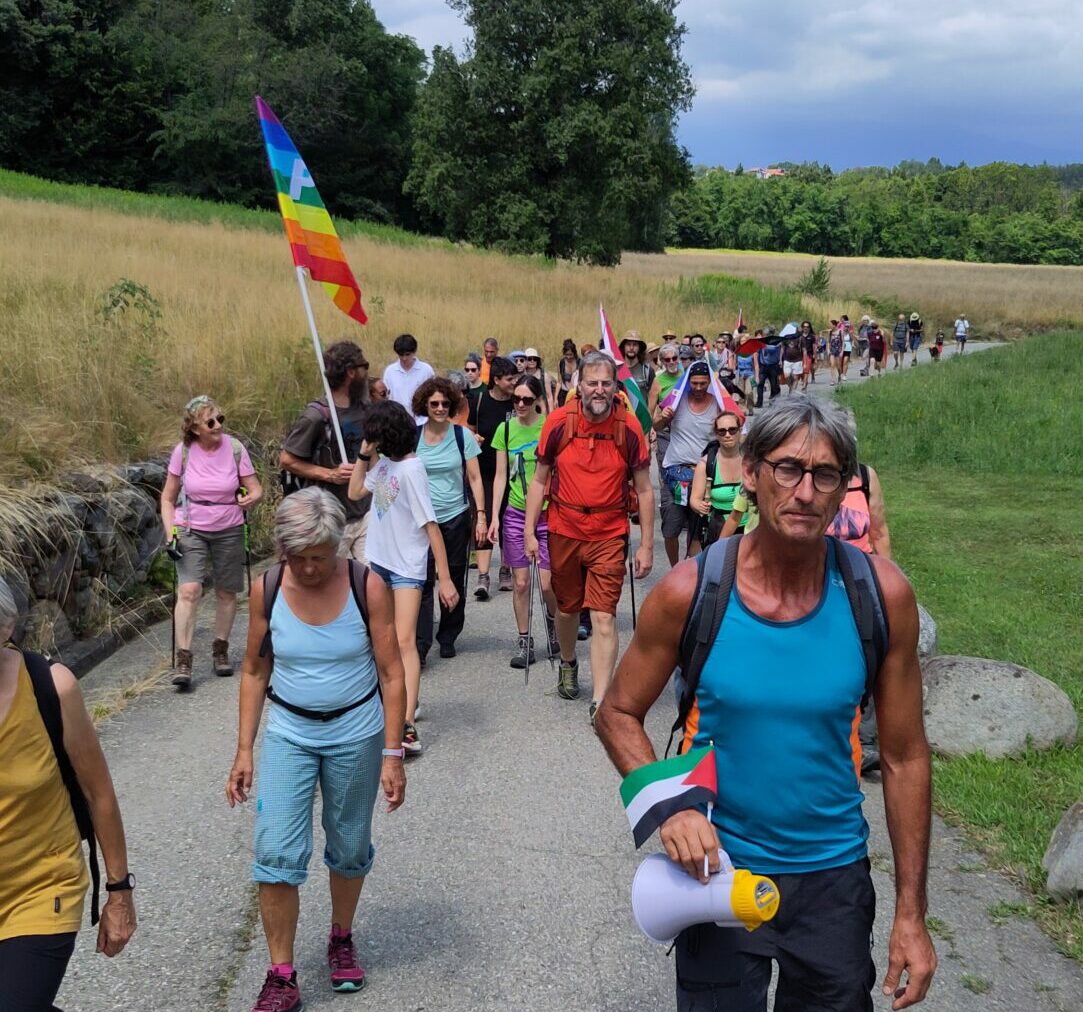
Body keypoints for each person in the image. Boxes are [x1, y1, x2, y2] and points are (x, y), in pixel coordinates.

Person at [595, 396, 938, 1012]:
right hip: (718, 874)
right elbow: (617, 712)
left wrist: (912, 913)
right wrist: (670, 809)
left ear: (844, 489)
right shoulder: (691, 591)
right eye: (787, 469)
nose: (805, 491)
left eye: (825, 474)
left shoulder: (880, 596)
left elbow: (907, 757)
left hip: (833, 879)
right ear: (749, 473)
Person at [226, 488, 408, 1010]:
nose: (308, 569)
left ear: (339, 547)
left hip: (356, 731)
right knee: (276, 851)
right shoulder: (266, 589)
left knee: (349, 844)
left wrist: (393, 754)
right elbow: (255, 669)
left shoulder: (364, 585)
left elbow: (392, 673)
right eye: (297, 558)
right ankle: (281, 973)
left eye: (319, 558)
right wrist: (244, 750)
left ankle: (340, 936)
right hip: (290, 732)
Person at [0, 577, 137, 1012]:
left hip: (40, 889)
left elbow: (99, 794)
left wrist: (119, 892)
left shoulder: (49, 686)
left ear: (5, 626)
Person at [525, 352, 655, 726]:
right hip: (563, 528)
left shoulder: (628, 428)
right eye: (592, 382)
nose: (599, 390)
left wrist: (646, 544)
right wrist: (529, 531)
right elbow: (539, 480)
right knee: (566, 608)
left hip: (609, 533)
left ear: (616, 386)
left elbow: (645, 491)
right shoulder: (557, 423)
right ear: (577, 384)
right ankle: (568, 664)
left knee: (603, 616)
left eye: (606, 383)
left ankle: (600, 701)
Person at [348, 401, 457, 756]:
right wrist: (364, 455)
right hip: (378, 562)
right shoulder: (384, 465)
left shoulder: (412, 469)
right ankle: (403, 701)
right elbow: (354, 493)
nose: (371, 440)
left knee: (406, 641)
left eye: (374, 434)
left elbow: (431, 527)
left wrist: (444, 578)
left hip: (406, 568)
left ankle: (406, 725)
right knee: (385, 640)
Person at [161, 395, 262, 689]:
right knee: (190, 589)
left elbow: (256, 489)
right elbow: (168, 498)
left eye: (220, 419)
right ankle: (184, 658)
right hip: (191, 525)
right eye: (210, 422)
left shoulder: (234, 448)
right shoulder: (183, 453)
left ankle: (220, 648)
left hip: (229, 526)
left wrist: (250, 499)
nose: (217, 425)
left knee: (227, 591)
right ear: (194, 428)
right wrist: (171, 534)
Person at [411, 377, 487, 664]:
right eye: (434, 404)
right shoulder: (413, 436)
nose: (440, 408)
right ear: (425, 405)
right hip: (420, 521)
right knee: (422, 580)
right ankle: (421, 643)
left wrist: (481, 516)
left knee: (454, 577)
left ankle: (448, 635)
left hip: (454, 517)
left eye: (445, 403)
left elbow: (475, 478)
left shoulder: (461, 436)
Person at [489, 374, 560, 667]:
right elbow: (501, 475)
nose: (520, 404)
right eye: (515, 399)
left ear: (536, 402)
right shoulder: (504, 430)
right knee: (520, 584)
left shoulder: (549, 428)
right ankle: (524, 641)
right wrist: (493, 516)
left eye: (526, 400)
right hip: (516, 514)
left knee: (547, 585)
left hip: (547, 513)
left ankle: (554, 626)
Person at [280, 340, 371, 564]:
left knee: (373, 584)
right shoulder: (316, 416)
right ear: (351, 372)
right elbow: (287, 460)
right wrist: (330, 474)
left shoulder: (365, 408)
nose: (366, 372)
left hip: (367, 513)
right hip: (331, 519)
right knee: (332, 586)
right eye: (363, 366)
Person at [654, 361, 721, 562]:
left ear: (709, 382)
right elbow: (656, 426)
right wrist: (663, 417)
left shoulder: (718, 404)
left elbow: (732, 430)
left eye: (703, 383)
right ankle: (675, 569)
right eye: (694, 383)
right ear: (687, 382)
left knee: (697, 530)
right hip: (674, 473)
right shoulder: (675, 401)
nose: (698, 388)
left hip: (703, 476)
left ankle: (690, 575)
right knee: (670, 529)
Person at [473, 356, 519, 600]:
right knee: (484, 518)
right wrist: (472, 436)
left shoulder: (517, 403)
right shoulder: (479, 400)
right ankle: (482, 577)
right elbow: (464, 426)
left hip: (512, 473)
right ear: (497, 380)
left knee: (507, 520)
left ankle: (505, 569)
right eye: (510, 378)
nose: (514, 382)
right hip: (483, 473)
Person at [689, 411, 745, 548]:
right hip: (719, 529)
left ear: (740, 431)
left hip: (750, 529)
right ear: (716, 434)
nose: (727, 435)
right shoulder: (706, 464)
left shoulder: (751, 460)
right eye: (722, 431)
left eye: (732, 430)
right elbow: (694, 500)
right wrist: (700, 506)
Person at [382, 334, 435, 423]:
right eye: (401, 355)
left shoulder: (426, 370)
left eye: (407, 354)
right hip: (397, 422)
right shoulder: (390, 371)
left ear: (414, 352)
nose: (404, 358)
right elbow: (386, 397)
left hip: (421, 422)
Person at [620, 331, 655, 404]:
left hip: (640, 414)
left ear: (639, 348)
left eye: (635, 345)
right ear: (623, 347)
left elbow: (654, 397)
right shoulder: (617, 370)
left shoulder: (647, 371)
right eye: (628, 344)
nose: (631, 348)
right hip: (622, 414)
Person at [522, 347, 559, 411]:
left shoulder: (544, 376)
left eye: (535, 359)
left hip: (542, 409)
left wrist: (551, 413)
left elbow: (549, 396)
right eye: (529, 359)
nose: (532, 361)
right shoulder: (522, 374)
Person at [733, 332, 760, 415]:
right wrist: (734, 375)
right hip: (740, 374)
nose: (743, 342)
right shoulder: (737, 352)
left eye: (745, 341)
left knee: (749, 392)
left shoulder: (753, 352)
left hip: (750, 374)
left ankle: (750, 407)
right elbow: (734, 364)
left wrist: (757, 376)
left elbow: (756, 365)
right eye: (742, 341)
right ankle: (742, 409)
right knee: (741, 393)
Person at [755, 332, 782, 406]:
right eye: (767, 335)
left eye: (770, 334)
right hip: (763, 366)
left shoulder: (777, 343)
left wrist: (780, 361)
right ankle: (759, 402)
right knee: (760, 384)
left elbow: (776, 350)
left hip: (773, 366)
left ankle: (772, 400)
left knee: (774, 385)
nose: (768, 336)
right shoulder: (761, 343)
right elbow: (757, 353)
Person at [463, 352, 485, 423]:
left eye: (473, 370)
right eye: (467, 370)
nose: (470, 372)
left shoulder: (486, 390)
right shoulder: (462, 390)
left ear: (479, 371)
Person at [557, 339, 579, 407]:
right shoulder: (561, 363)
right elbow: (559, 382)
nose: (568, 357)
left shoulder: (580, 363)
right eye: (566, 355)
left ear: (574, 353)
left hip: (576, 393)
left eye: (571, 355)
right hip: (563, 393)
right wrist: (555, 398)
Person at [799, 320, 816, 388]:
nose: (806, 328)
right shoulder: (799, 336)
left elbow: (814, 346)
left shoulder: (812, 336)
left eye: (807, 327)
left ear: (809, 328)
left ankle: (804, 384)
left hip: (809, 355)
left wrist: (815, 354)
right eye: (804, 326)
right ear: (802, 327)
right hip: (799, 356)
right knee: (801, 370)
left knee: (806, 370)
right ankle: (804, 381)